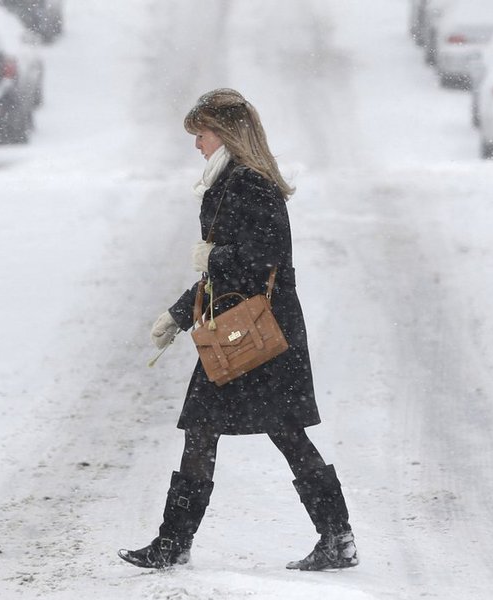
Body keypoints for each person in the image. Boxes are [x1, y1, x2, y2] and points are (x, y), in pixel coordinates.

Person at [118, 88, 358, 572]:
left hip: (255, 334)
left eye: (201, 134)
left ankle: (177, 543)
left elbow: (260, 262)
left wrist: (212, 258)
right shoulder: (232, 180)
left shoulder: (249, 184)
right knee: (221, 431)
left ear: (225, 133)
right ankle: (334, 537)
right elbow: (228, 273)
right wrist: (180, 314)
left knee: (252, 432)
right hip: (247, 330)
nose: (196, 144)